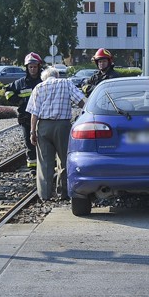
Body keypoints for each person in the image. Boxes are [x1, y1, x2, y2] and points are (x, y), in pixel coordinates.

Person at [25, 66, 85, 201]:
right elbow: (82, 102)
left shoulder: (39, 87)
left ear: (44, 77)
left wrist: (32, 132)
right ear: (56, 76)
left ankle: (44, 195)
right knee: (64, 160)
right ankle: (63, 193)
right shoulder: (66, 83)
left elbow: (34, 113)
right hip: (62, 126)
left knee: (44, 162)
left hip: (43, 126)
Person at [5, 52, 44, 170]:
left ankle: (43, 165)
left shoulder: (43, 81)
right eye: (30, 67)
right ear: (27, 68)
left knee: (43, 142)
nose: (32, 69)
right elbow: (7, 92)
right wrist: (18, 101)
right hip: (26, 118)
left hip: (42, 117)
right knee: (29, 143)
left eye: (35, 67)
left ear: (39, 67)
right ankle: (33, 167)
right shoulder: (20, 83)